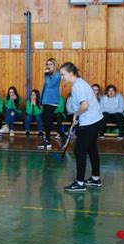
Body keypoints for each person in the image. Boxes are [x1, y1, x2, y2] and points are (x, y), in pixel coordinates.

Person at [60, 62, 103, 192]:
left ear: (71, 73)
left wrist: (76, 115)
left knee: (79, 151)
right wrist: (77, 116)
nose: (62, 78)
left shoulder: (78, 86)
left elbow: (84, 105)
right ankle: (95, 179)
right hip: (95, 120)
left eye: (63, 74)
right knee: (92, 150)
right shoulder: (80, 83)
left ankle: (79, 183)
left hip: (90, 123)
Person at [39, 58, 61, 149]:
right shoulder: (49, 75)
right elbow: (44, 88)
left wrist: (46, 75)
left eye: (50, 64)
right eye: (47, 64)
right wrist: (41, 100)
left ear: (54, 65)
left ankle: (63, 134)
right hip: (46, 101)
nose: (48, 66)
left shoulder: (57, 75)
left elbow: (50, 85)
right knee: (45, 121)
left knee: (47, 121)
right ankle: (47, 140)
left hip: (52, 101)